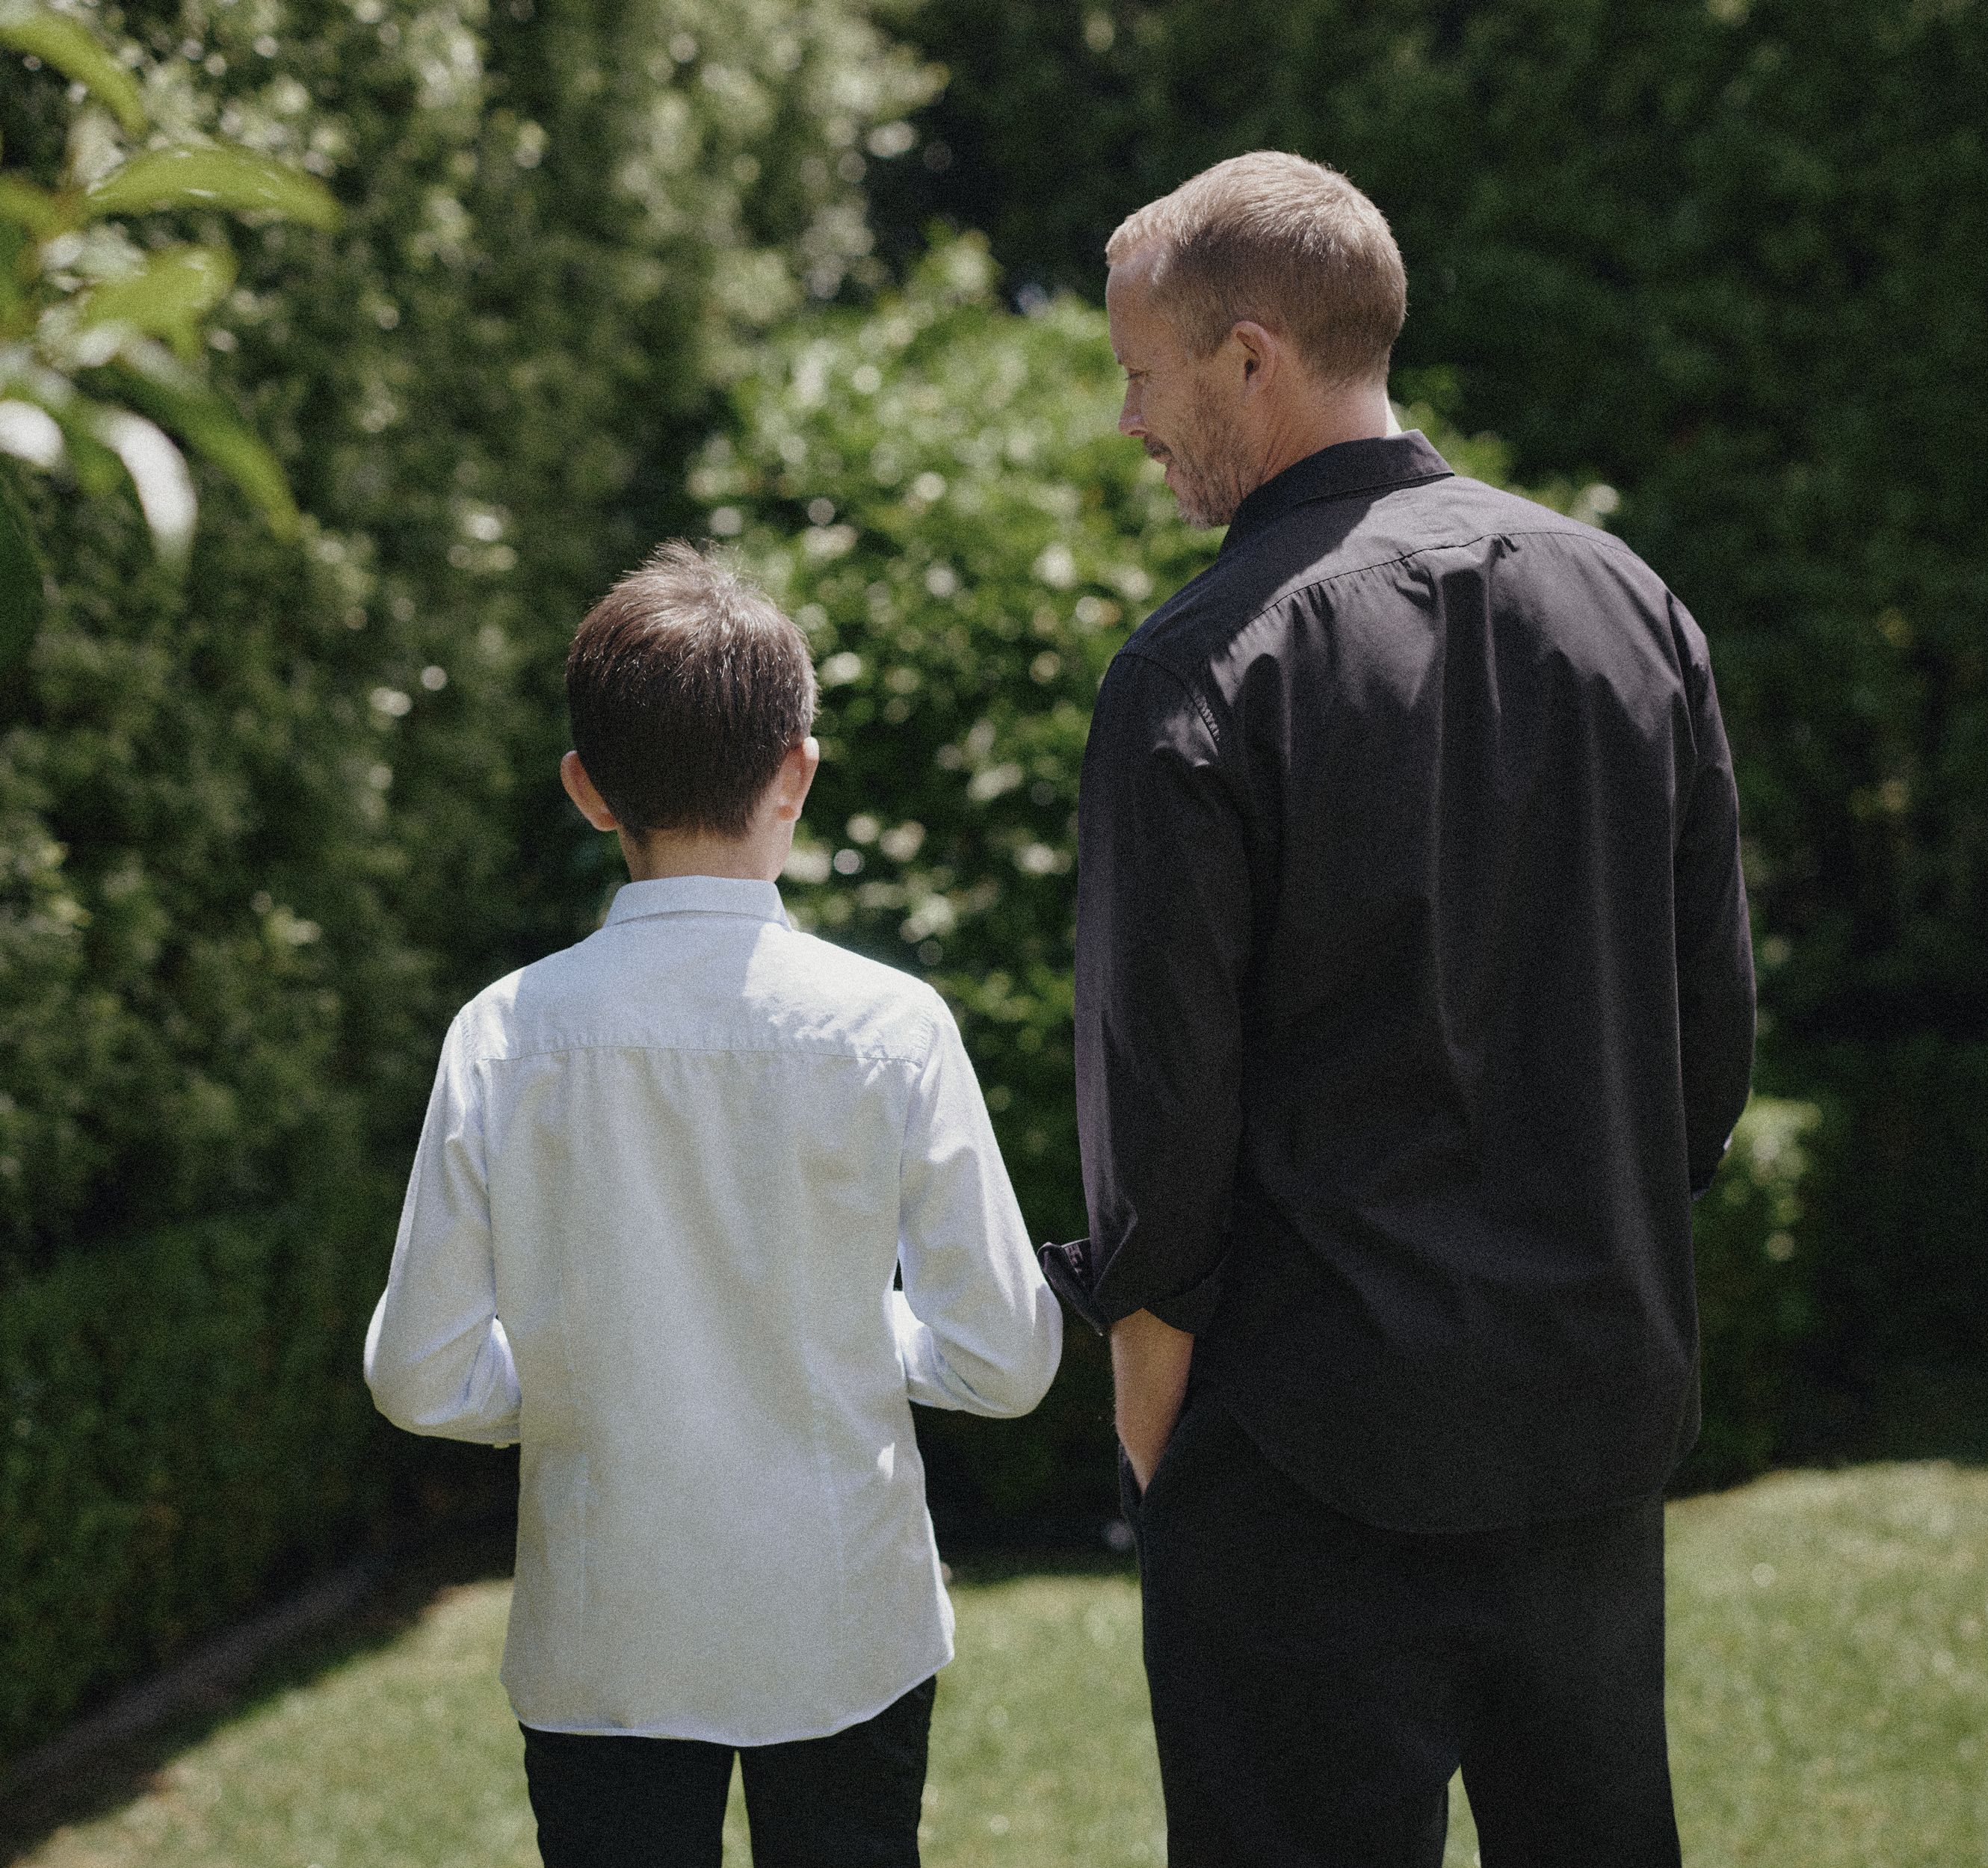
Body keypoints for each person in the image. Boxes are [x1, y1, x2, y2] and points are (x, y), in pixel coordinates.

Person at [1043, 152, 1755, 1867]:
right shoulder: (1632, 610)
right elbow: (1707, 1052)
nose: (1131, 422)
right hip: (1585, 1424)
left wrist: (1153, 1396)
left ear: (1250, 356)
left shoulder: (1193, 671)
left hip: (1300, 1446)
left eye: (1142, 373)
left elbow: (1162, 1117)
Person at [365, 542, 1063, 1868]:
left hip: (605, 1630)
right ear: (797, 770)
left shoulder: (506, 1034)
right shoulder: (891, 1026)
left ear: (586, 790)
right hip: (844, 1619)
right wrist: (849, 1336)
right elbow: (1005, 1357)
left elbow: (422, 1374)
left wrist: (579, 1374)